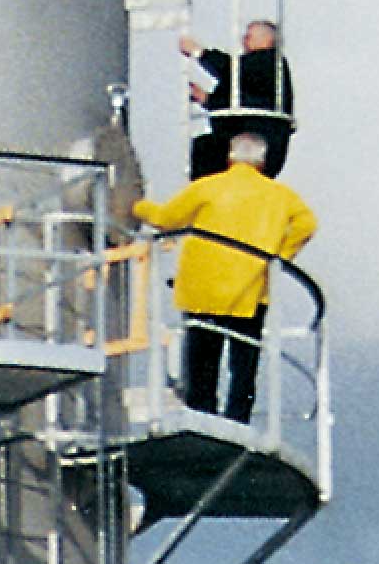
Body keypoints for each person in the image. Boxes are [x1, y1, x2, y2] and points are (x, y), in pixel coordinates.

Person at [132, 133, 318, 424]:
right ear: (263, 161)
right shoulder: (281, 195)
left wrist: (134, 204)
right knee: (244, 363)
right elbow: (307, 224)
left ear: (230, 158)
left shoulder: (208, 187)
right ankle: (237, 420)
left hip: (203, 286)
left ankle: (201, 416)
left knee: (203, 359)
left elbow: (164, 218)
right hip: (252, 287)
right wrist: (279, 257)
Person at [184, 20, 294, 178]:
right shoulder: (259, 71)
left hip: (255, 144)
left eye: (249, 36)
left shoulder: (270, 61)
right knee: (204, 148)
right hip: (240, 139)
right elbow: (245, 98)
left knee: (205, 151)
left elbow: (232, 69)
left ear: (267, 40)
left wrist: (199, 52)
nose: (244, 40)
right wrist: (207, 99)